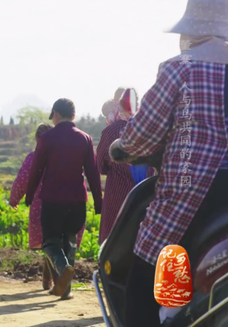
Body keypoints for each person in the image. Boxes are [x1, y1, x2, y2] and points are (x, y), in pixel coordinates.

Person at [113, 0, 228, 326]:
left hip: (194, 189)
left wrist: (123, 145)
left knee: (143, 280)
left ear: (191, 30)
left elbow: (143, 134)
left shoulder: (181, 68)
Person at [25, 98, 103, 299]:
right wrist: (98, 201)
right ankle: (65, 290)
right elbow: (93, 172)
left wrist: (29, 194)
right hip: (77, 201)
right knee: (70, 242)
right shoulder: (85, 138)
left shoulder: (47, 139)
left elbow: (36, 170)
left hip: (53, 200)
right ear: (74, 116)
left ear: (56, 115)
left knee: (50, 243)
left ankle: (63, 267)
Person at [8, 123, 86, 293]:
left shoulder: (33, 158)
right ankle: (49, 280)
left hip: (42, 210)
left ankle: (58, 284)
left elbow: (22, 181)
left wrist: (14, 200)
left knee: (50, 244)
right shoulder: (67, 159)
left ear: (37, 140)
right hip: (69, 207)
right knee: (57, 244)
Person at [96, 88, 155, 244]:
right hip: (146, 195)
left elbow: (100, 167)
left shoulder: (110, 131)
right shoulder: (149, 129)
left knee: (113, 242)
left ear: (117, 104)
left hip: (118, 195)